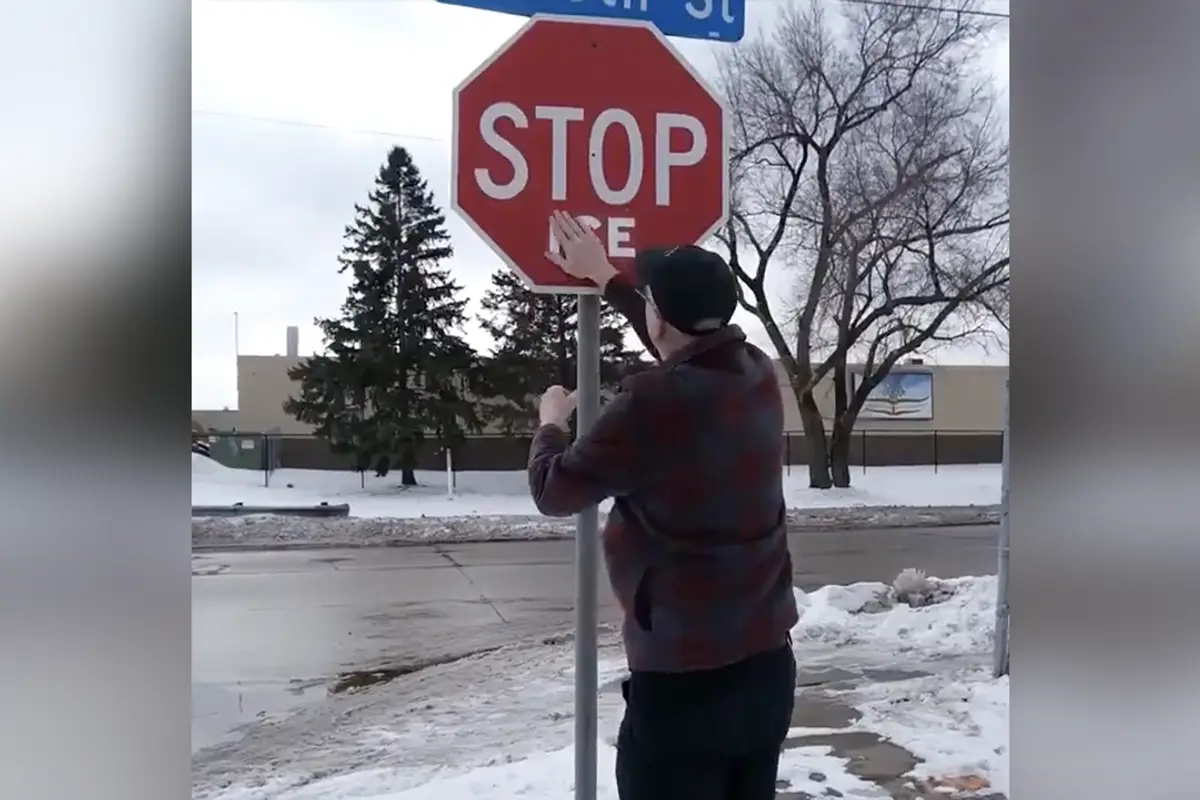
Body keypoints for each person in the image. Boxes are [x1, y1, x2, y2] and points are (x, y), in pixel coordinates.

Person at [527, 211, 799, 800]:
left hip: (684, 687)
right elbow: (679, 340)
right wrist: (607, 278)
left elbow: (554, 490)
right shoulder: (756, 372)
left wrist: (550, 425)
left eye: (649, 300)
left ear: (660, 317)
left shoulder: (649, 406)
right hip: (767, 670)